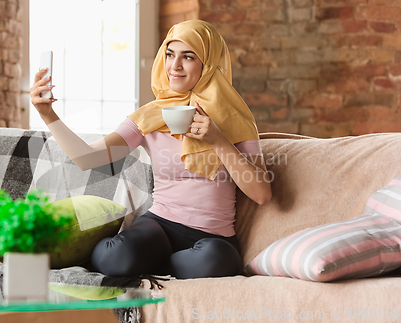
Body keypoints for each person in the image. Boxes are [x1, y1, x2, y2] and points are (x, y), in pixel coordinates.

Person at [30, 20, 272, 279]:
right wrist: (48, 115)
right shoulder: (149, 116)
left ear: (209, 64)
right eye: (169, 55)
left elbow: (261, 193)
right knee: (114, 256)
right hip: (159, 225)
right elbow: (88, 158)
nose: (174, 66)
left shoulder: (235, 118)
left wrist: (218, 141)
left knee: (215, 261)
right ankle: (161, 265)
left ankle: (155, 266)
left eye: (188, 57)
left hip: (213, 236)